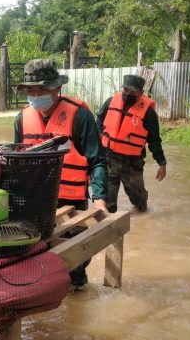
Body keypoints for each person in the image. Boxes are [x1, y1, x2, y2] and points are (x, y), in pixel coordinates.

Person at [13, 59, 108, 292]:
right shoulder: (21, 119)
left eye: (42, 89)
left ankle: (78, 290)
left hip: (71, 198)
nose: (36, 95)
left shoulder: (80, 116)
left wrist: (100, 199)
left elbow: (97, 161)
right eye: (31, 90)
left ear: (57, 88)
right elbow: (15, 162)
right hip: (34, 201)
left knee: (76, 257)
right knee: (35, 253)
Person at [96, 74, 167, 213]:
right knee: (108, 204)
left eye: (132, 91)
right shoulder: (111, 101)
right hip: (109, 159)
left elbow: (154, 141)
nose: (127, 94)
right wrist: (98, 137)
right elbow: (99, 120)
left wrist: (162, 163)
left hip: (132, 163)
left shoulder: (148, 113)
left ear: (141, 93)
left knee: (140, 204)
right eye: (125, 90)